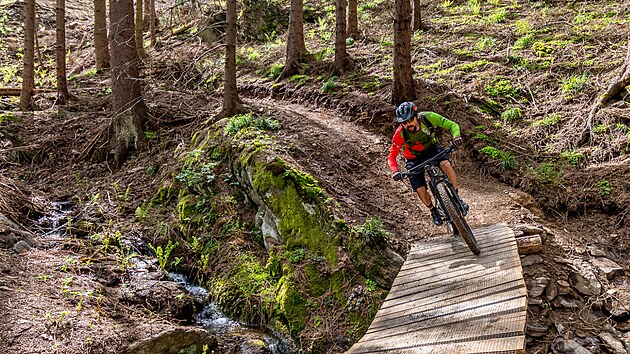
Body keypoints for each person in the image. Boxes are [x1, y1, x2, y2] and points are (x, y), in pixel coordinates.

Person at [387, 101, 467, 226]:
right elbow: (391, 156)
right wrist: (395, 171)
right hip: (413, 158)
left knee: (445, 164)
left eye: (410, 119)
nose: (408, 124)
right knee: (419, 188)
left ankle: (456, 198)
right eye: (404, 122)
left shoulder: (428, 117)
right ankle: (433, 210)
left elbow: (453, 125)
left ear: (416, 115)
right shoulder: (400, 133)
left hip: (431, 149)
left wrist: (456, 137)